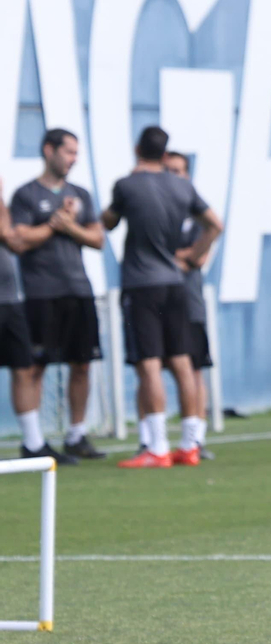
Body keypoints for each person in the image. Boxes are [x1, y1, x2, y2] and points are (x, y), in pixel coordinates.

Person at [102, 126, 222, 468]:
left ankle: (156, 447)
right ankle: (189, 445)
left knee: (149, 363)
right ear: (165, 152)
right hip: (175, 283)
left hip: (142, 284)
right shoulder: (182, 186)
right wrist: (193, 255)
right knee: (183, 361)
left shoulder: (127, 185)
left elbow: (107, 223)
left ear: (137, 147)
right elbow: (215, 224)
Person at [9, 129, 105, 462]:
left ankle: (77, 435)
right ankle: (33, 442)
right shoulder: (26, 195)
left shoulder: (80, 194)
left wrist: (70, 226)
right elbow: (18, 238)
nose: (73, 159)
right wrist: (55, 224)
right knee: (35, 366)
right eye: (68, 152)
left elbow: (97, 239)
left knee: (83, 364)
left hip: (78, 289)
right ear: (49, 150)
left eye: (77, 153)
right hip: (41, 293)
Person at [162, 151, 215, 460]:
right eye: (167, 170)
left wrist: (171, 257)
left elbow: (198, 257)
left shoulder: (198, 217)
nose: (173, 176)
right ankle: (150, 439)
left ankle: (196, 439)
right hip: (159, 303)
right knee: (152, 366)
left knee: (194, 371)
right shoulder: (154, 212)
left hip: (189, 303)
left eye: (178, 171)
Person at [0, 183, 35, 436]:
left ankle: (33, 443)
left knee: (23, 368)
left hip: (10, 300)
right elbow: (6, 232)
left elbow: (15, 242)